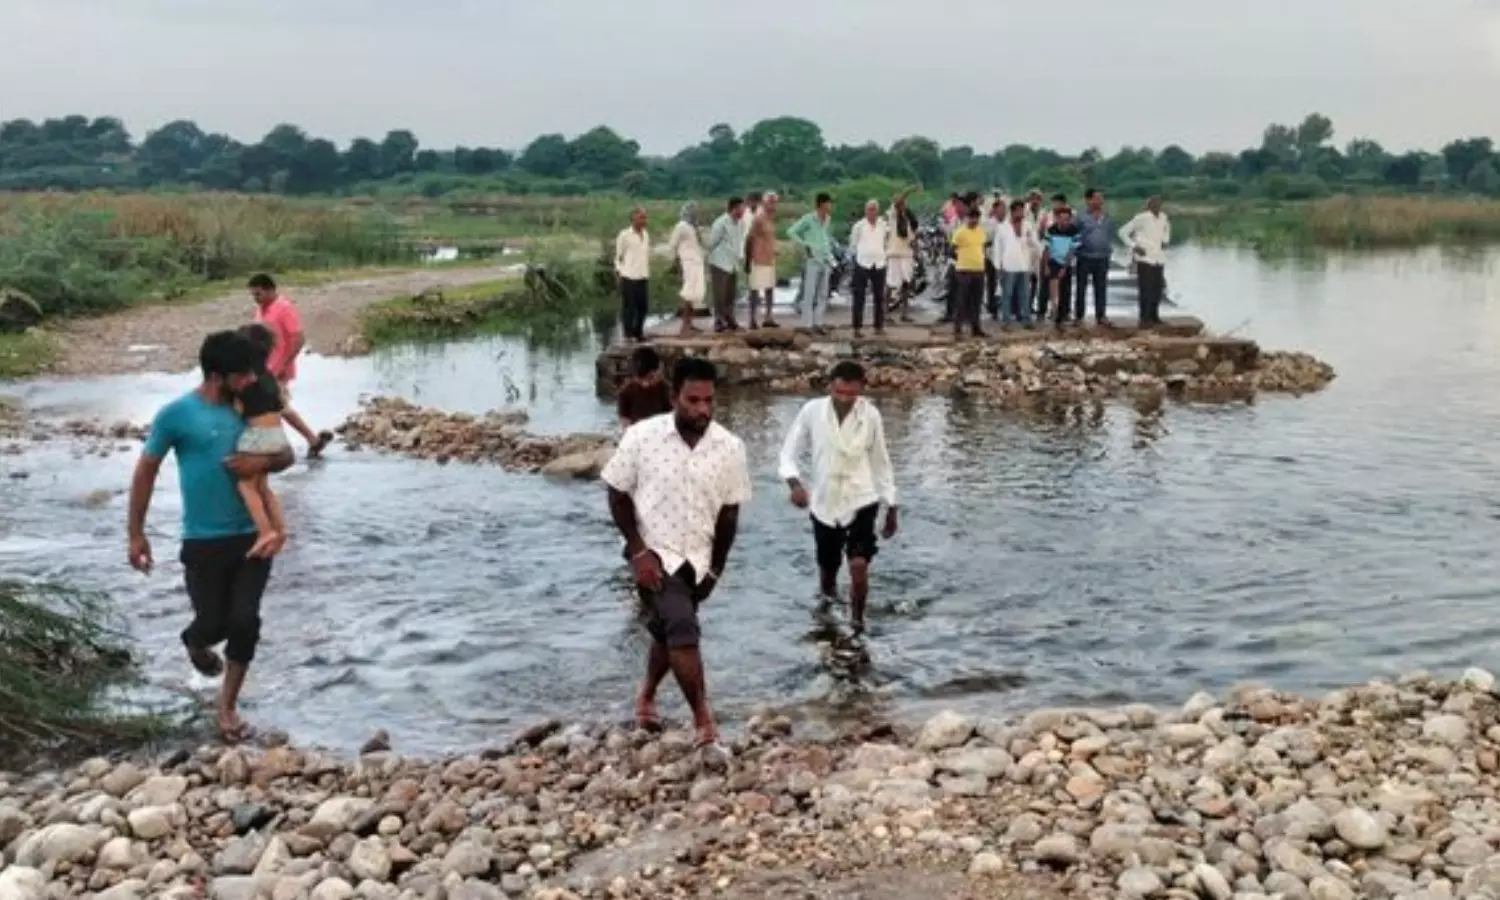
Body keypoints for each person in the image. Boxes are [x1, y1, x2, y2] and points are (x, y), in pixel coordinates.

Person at [128, 330, 294, 742]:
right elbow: (146, 470)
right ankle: (194, 640)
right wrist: (136, 533)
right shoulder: (176, 415)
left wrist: (262, 460)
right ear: (218, 376)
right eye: (242, 375)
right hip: (202, 540)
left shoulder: (248, 407)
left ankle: (227, 706)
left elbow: (286, 454)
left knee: (245, 621)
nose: (250, 381)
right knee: (213, 622)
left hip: (251, 537)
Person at [602, 356, 751, 750]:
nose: (702, 409)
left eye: (708, 401)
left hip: (698, 560)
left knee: (668, 629)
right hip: (654, 556)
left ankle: (646, 696)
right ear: (674, 396)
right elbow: (616, 492)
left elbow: (730, 513)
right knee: (683, 629)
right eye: (693, 400)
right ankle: (704, 722)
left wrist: (716, 570)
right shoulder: (641, 438)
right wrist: (637, 552)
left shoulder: (729, 447)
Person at [777, 361, 897, 633]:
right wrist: (794, 484)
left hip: (862, 497)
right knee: (828, 571)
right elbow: (788, 453)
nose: (844, 399)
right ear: (830, 385)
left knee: (858, 563)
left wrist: (891, 505)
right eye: (839, 392)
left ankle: (857, 621)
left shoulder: (871, 416)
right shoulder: (812, 411)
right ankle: (827, 615)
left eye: (851, 394)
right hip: (824, 501)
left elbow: (881, 461)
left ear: (861, 391)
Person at [247, 275, 332, 458]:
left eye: (258, 294)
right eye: (253, 295)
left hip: (277, 368)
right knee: (277, 407)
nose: (256, 298)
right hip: (264, 368)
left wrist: (285, 364)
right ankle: (310, 441)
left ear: (270, 290)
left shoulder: (284, 308)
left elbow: (298, 339)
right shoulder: (262, 309)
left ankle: (284, 447)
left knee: (276, 406)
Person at [234, 325, 292, 558]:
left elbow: (238, 410)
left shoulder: (245, 381)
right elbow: (282, 403)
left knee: (245, 485)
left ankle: (265, 531)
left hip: (257, 436)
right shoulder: (269, 378)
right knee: (264, 488)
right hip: (278, 435)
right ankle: (281, 529)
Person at [1118, 196, 1171, 327]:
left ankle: (1154, 316)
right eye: (1154, 203)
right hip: (1145, 257)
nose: (1157, 205)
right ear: (1149, 205)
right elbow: (1122, 232)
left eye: (1159, 203)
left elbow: (1167, 229)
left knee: (1157, 288)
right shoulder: (1141, 217)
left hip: (1158, 257)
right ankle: (1144, 318)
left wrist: (1165, 241)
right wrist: (1134, 246)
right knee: (1145, 289)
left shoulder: (1163, 217)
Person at [788, 193, 836, 335]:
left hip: (825, 258)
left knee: (823, 293)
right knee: (810, 292)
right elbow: (792, 231)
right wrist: (805, 244)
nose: (830, 206)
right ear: (822, 204)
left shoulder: (827, 219)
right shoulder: (809, 219)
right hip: (813, 259)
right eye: (829, 203)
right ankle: (807, 324)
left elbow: (825, 236)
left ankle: (818, 322)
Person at [994, 200, 1040, 328]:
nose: (1022, 213)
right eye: (1020, 210)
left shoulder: (1028, 226)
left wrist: (1031, 239)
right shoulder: (1003, 227)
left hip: (1024, 264)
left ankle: (1026, 319)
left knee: (1025, 293)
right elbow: (997, 248)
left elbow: (1035, 244)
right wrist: (998, 266)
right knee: (1007, 294)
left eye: (1023, 210)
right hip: (1008, 265)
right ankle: (1006, 320)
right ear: (1013, 211)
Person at [848, 199, 889, 338]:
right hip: (862, 263)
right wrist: (856, 260)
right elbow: (853, 245)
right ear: (865, 211)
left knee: (879, 297)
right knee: (859, 296)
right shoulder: (859, 226)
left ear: (878, 211)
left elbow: (886, 241)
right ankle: (857, 328)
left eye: (874, 209)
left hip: (879, 263)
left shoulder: (883, 225)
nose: (872, 212)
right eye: (869, 209)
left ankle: (878, 326)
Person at [706, 196, 746, 332]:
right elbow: (712, 242)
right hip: (720, 262)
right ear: (734, 208)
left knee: (730, 293)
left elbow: (738, 242)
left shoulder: (740, 223)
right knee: (719, 294)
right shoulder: (721, 222)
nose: (743, 211)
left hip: (732, 263)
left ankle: (730, 319)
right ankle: (718, 320)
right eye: (741, 208)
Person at [1075, 188, 1114, 327]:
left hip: (1103, 257)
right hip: (1085, 256)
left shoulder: (1107, 216)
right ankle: (1079, 316)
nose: (1100, 201)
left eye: (1101, 198)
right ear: (1088, 200)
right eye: (1097, 198)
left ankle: (1101, 315)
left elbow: (1109, 234)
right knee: (1081, 287)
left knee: (1101, 287)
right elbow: (1075, 234)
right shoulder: (1081, 217)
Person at [665, 201, 705, 336]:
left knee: (694, 293)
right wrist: (675, 262)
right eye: (694, 211)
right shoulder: (681, 226)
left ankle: (690, 323)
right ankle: (684, 326)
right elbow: (672, 245)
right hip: (688, 263)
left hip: (697, 262)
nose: (696, 214)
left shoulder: (693, 227)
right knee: (688, 293)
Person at [950, 205, 988, 338]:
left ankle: (976, 328)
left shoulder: (981, 232)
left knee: (976, 301)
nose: (974, 221)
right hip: (964, 270)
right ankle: (957, 329)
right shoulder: (960, 232)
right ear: (967, 218)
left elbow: (983, 248)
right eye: (972, 218)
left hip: (979, 269)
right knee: (962, 300)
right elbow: (952, 249)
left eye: (977, 218)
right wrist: (962, 260)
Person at [615, 207, 652, 341]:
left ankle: (638, 332)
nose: (644, 220)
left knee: (643, 307)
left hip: (643, 275)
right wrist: (618, 273)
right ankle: (628, 335)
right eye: (642, 217)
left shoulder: (646, 234)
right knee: (629, 308)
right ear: (633, 219)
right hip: (628, 276)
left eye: (645, 217)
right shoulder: (624, 235)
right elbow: (618, 256)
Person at [745, 192, 780, 329]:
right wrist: (748, 260)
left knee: (769, 288)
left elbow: (770, 238)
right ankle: (752, 319)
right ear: (765, 203)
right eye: (770, 203)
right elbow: (750, 238)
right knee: (755, 289)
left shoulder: (770, 218)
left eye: (774, 203)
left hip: (769, 258)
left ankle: (768, 317)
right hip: (757, 258)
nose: (773, 206)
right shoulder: (759, 218)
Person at [617, 346, 672, 429]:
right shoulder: (625, 393)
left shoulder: (667, 391)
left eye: (650, 378)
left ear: (659, 370)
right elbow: (625, 424)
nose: (645, 384)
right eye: (640, 380)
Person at [1043, 207, 1081, 326]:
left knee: (1066, 288)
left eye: (1067, 219)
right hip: (1053, 260)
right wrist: (1046, 266)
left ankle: (1063, 314)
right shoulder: (1050, 230)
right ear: (1057, 219)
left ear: (1070, 219)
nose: (1064, 221)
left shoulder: (1074, 231)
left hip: (1066, 261)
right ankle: (1054, 310)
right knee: (1054, 286)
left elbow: (1071, 251)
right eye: (1062, 219)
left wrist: (1065, 267)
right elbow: (1047, 249)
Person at [885, 193, 919, 323]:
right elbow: (897, 202)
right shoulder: (893, 216)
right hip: (894, 253)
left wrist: (915, 250)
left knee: (906, 283)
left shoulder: (908, 217)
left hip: (906, 253)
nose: (901, 205)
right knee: (891, 283)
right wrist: (910, 190)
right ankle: (885, 313)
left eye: (903, 203)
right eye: (899, 203)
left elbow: (912, 236)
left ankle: (904, 313)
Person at [982, 198, 1003, 319]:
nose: (1003, 211)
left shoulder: (1005, 224)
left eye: (1004, 209)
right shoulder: (989, 223)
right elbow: (985, 240)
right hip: (990, 256)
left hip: (1001, 256)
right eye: (1000, 209)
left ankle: (996, 305)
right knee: (992, 282)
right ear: (994, 210)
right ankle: (992, 306)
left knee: (999, 282)